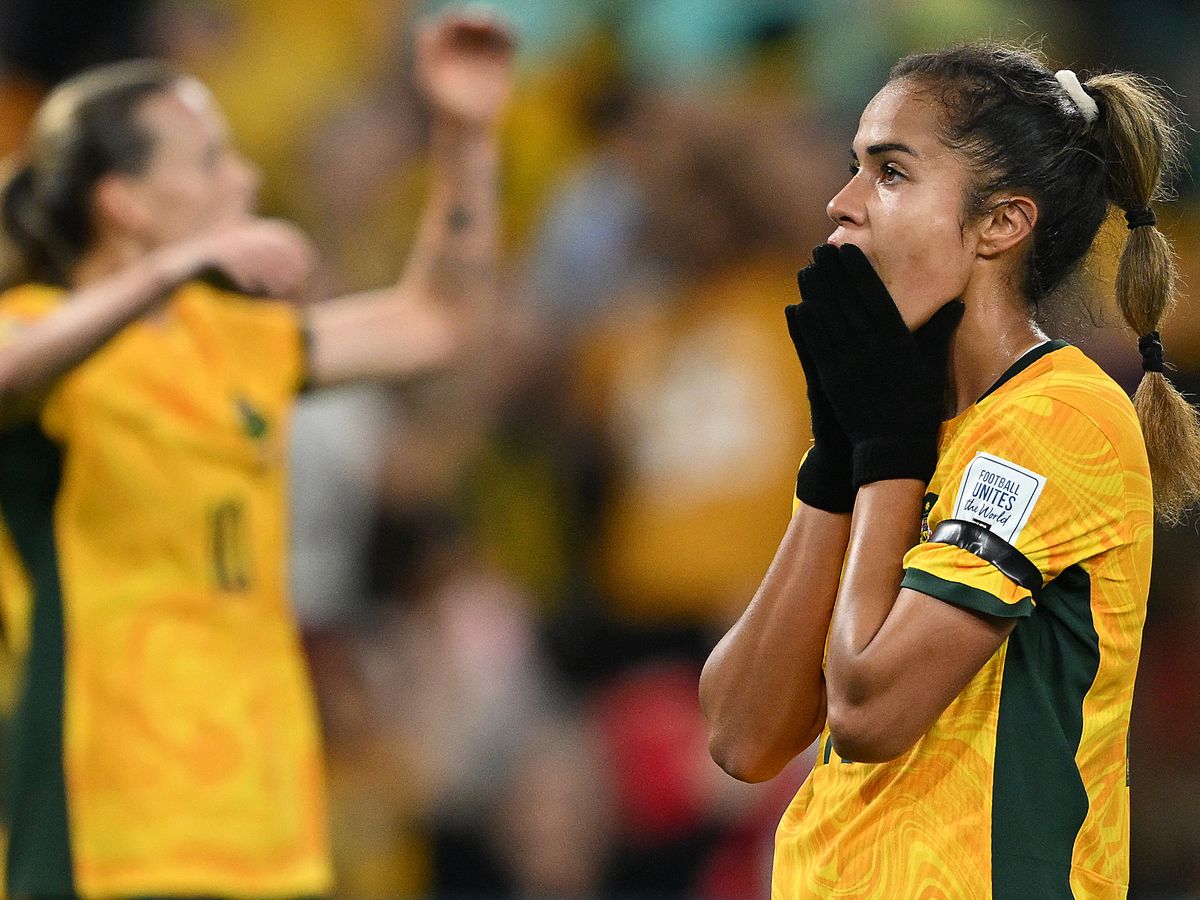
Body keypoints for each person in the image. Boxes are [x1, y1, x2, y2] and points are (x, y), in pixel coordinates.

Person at [0, 8, 514, 898]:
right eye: (209, 160)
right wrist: (159, 275)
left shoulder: (238, 344)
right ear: (122, 201)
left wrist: (465, 137)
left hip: (260, 818)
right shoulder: (37, 333)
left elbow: (438, 320)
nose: (246, 177)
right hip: (101, 813)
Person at [699, 43, 1200, 898]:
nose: (841, 203)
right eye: (853, 166)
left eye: (890, 173)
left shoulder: (1060, 421)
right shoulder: (905, 423)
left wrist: (886, 455)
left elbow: (867, 710)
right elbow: (742, 735)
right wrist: (836, 459)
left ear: (1001, 224)